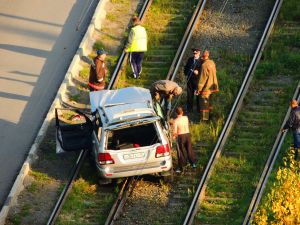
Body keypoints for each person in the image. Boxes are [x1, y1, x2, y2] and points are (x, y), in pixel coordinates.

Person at [172, 107, 196, 173]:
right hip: (187, 135)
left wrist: (173, 137)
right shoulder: (186, 118)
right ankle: (193, 164)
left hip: (180, 136)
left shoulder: (175, 121)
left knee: (181, 152)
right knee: (189, 149)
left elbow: (175, 132)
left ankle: (181, 167)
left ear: (176, 113)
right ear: (182, 112)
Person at [196, 50, 219, 121]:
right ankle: (210, 117)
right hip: (212, 87)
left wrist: (198, 89)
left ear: (203, 57)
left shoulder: (204, 65)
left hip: (206, 88)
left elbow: (202, 79)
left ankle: (204, 119)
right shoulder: (212, 63)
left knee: (204, 105)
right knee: (209, 103)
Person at [184, 48, 203, 113]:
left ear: (199, 53)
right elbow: (185, 69)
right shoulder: (190, 60)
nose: (194, 55)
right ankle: (189, 109)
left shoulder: (201, 61)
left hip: (197, 81)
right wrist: (190, 71)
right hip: (190, 80)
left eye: (196, 53)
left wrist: (198, 72)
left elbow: (203, 72)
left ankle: (198, 109)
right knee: (189, 95)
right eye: (194, 53)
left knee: (198, 95)